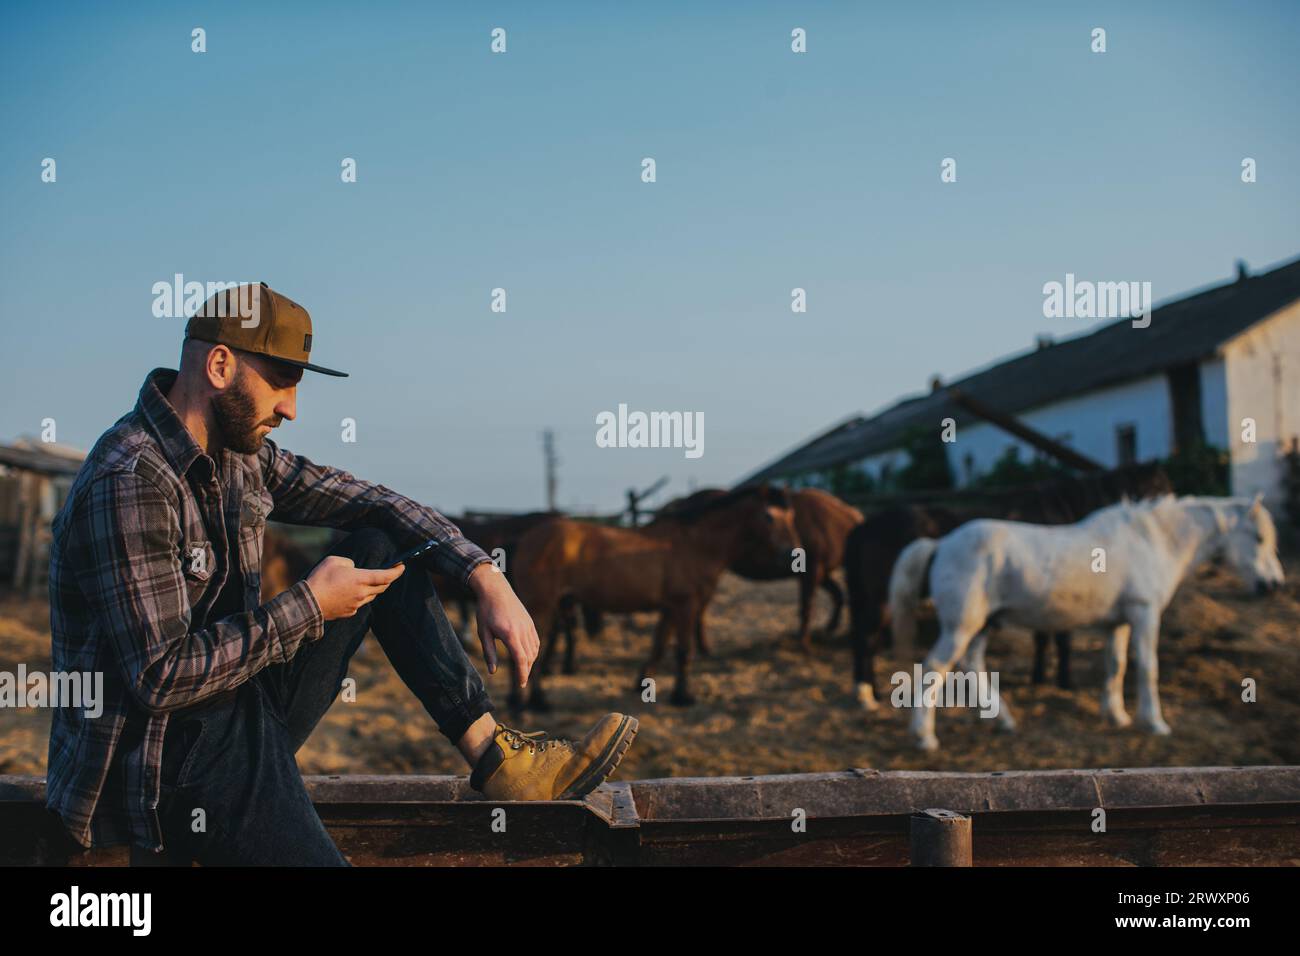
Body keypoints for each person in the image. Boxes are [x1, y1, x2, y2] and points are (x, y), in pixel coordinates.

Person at [46, 282, 638, 865]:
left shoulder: (239, 456)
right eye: (280, 382)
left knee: (381, 546)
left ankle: (497, 760)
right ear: (221, 366)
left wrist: (482, 573)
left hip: (239, 713)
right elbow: (158, 677)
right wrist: (308, 604)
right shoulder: (130, 481)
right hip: (159, 766)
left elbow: (373, 503)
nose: (291, 409)